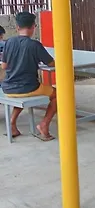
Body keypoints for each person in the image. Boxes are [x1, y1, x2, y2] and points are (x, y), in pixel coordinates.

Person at [1, 12, 57, 141]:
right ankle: (44, 125)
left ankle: (12, 124)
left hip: (8, 88)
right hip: (28, 87)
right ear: (33, 27)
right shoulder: (35, 45)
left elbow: (4, 66)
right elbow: (51, 64)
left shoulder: (9, 42)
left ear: (17, 27)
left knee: (21, 92)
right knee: (57, 95)